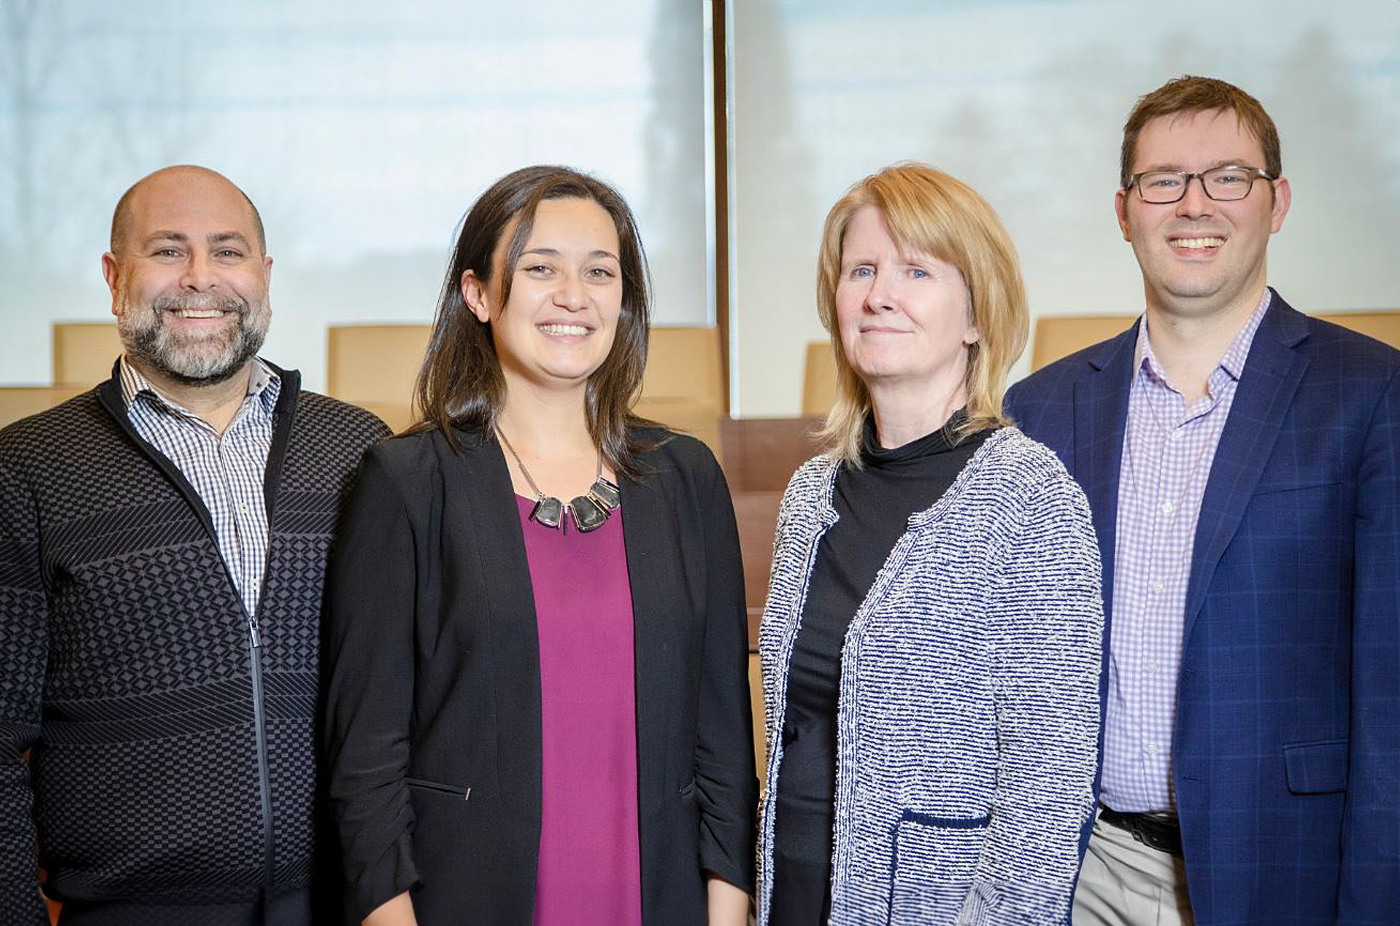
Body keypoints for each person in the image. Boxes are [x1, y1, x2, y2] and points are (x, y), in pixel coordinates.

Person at [1006, 75, 1400, 925]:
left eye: (1228, 177)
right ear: (1124, 210)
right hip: (1083, 871)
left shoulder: (1369, 395)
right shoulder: (1040, 411)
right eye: (1163, 181)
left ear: (1276, 200)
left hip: (1283, 868)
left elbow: (1391, 700)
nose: (1195, 204)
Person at [322, 165, 757, 926]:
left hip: (661, 900)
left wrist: (727, 911)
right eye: (540, 269)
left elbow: (723, 739)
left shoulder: (685, 479)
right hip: (468, 900)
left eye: (599, 271)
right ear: (479, 295)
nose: (573, 296)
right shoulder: (406, 483)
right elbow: (366, 761)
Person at [0, 165, 390, 925]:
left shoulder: (359, 453)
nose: (201, 278)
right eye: (169, 251)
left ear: (266, 276)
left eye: (228, 251)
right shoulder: (27, 471)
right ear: (115, 278)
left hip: (345, 907)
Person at [756, 162, 1103, 925]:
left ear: (977, 315)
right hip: (790, 897)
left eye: (916, 271)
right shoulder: (811, 490)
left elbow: (1050, 789)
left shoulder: (1030, 499)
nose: (880, 294)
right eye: (862, 270)